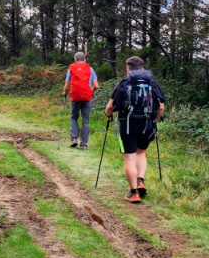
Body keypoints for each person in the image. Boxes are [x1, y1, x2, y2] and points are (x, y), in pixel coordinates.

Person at [104, 56, 166, 204]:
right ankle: (140, 181)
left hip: (127, 124)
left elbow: (110, 107)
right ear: (143, 68)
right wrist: (157, 118)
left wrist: (108, 116)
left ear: (128, 69)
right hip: (147, 124)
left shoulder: (124, 83)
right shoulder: (152, 83)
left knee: (130, 157)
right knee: (141, 152)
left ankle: (133, 193)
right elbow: (161, 106)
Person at [62, 52, 100, 150]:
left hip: (75, 97)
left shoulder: (71, 68)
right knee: (85, 120)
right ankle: (84, 144)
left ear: (75, 59)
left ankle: (74, 139)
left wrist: (65, 93)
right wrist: (91, 91)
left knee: (74, 118)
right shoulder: (90, 69)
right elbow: (96, 85)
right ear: (84, 59)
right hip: (87, 97)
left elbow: (66, 86)